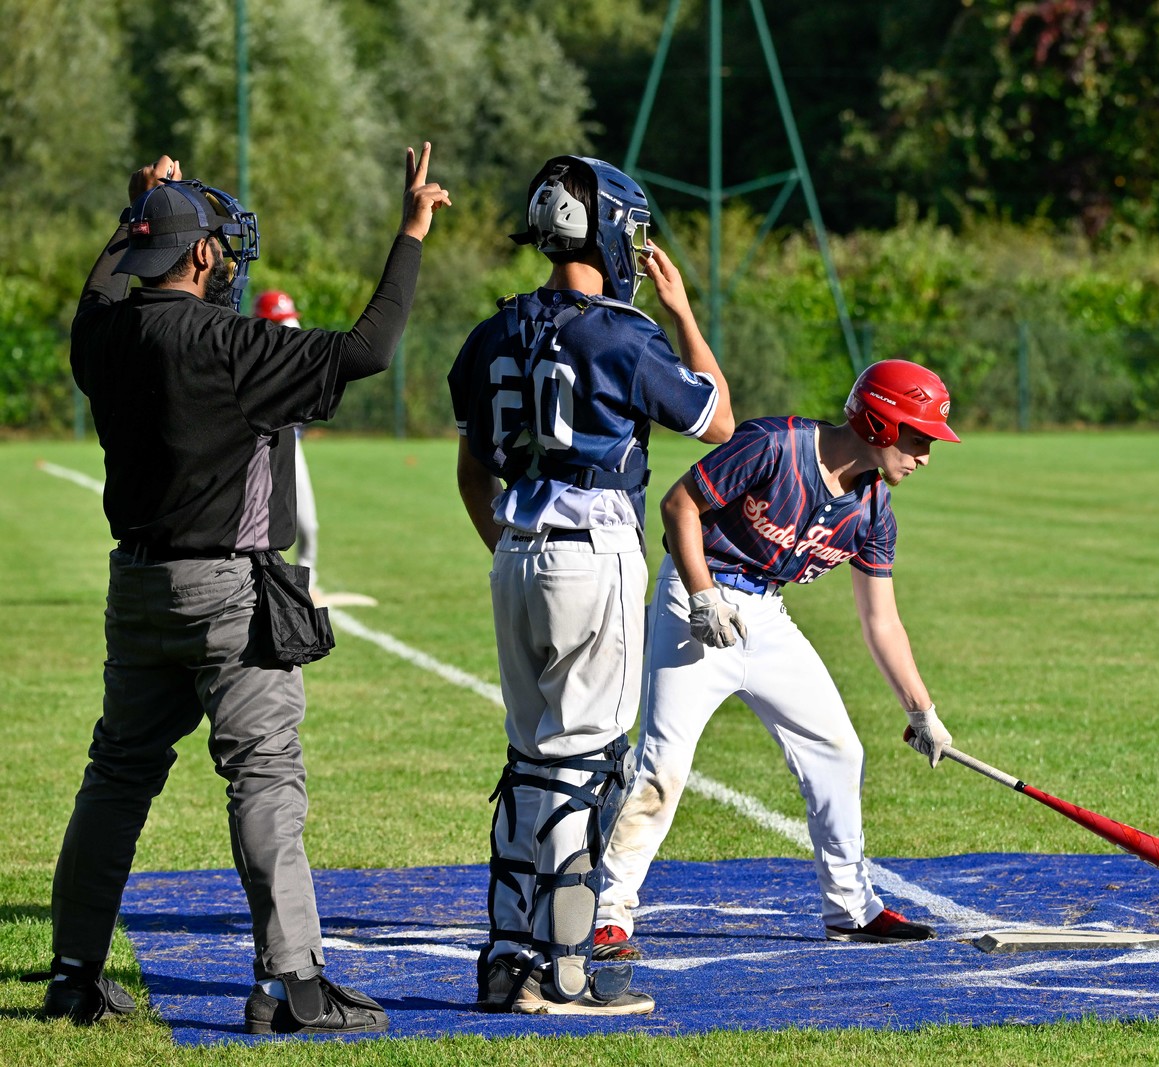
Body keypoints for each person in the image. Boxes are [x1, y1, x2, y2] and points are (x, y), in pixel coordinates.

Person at [39, 146, 449, 1033]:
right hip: (228, 591)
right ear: (194, 259)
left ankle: (73, 974)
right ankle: (295, 983)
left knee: (114, 779)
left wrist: (137, 210)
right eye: (216, 246)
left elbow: (99, 292)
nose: (225, 258)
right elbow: (368, 350)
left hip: (138, 590)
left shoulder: (104, 340)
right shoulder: (229, 343)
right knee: (265, 776)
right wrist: (411, 233)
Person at [449, 155, 733, 1016]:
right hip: (593, 549)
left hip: (517, 545)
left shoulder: (493, 331)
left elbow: (472, 471)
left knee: (530, 756)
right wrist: (683, 311)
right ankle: (568, 972)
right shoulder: (620, 330)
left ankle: (506, 959)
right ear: (608, 230)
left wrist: (510, 544)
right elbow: (717, 418)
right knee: (586, 767)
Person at [590, 359, 960, 962]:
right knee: (663, 763)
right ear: (879, 423)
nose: (924, 456)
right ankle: (608, 915)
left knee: (839, 750)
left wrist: (922, 712)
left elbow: (880, 620)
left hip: (764, 616)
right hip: (696, 595)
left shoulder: (872, 513)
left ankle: (851, 909)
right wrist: (703, 593)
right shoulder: (774, 446)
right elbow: (679, 505)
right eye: (918, 438)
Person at [253, 290, 321, 598]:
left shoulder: (294, 356)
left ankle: (309, 580)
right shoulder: (247, 357)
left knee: (307, 525)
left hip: (290, 448)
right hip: (252, 453)